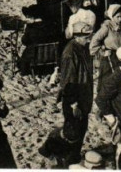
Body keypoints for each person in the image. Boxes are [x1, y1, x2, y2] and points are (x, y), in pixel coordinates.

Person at [39, 21, 94, 168]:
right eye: (86, 36)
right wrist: (73, 104)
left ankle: (71, 157)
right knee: (73, 132)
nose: (89, 39)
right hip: (74, 99)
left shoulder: (83, 48)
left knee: (79, 129)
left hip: (83, 96)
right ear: (77, 36)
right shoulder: (70, 53)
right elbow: (68, 82)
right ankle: (54, 152)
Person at [90, 3, 121, 84]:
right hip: (109, 58)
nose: (120, 19)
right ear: (112, 17)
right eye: (117, 17)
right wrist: (102, 52)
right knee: (109, 81)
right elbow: (94, 41)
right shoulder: (107, 27)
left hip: (120, 57)